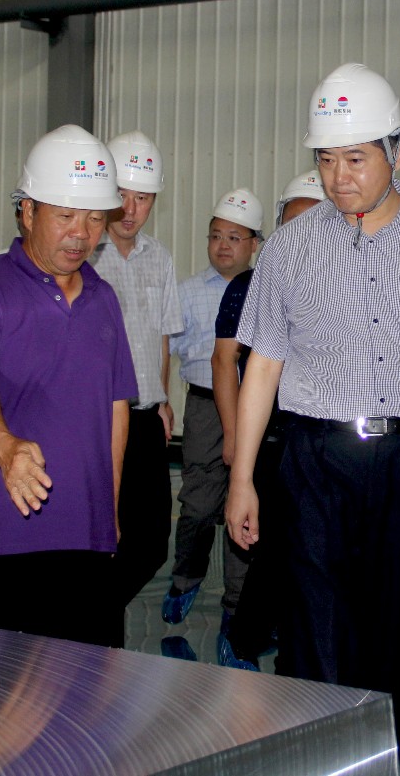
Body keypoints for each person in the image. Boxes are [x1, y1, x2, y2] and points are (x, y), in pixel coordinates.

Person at [226, 62, 400, 745]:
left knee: (390, 630)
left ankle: (376, 757)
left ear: (396, 153)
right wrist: (242, 479)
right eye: (325, 160)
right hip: (314, 460)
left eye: (355, 158)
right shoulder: (290, 248)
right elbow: (263, 368)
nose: (338, 176)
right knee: (312, 629)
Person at [0, 124, 136, 648]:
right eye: (66, 215)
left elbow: (116, 408)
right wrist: (7, 448)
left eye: (94, 217)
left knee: (88, 688)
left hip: (85, 539)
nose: (82, 233)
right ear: (27, 211)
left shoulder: (103, 299)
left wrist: (109, 510)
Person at [212, 169, 326, 671]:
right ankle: (243, 638)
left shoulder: (339, 287)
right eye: (292, 221)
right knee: (273, 544)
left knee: (305, 551)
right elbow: (228, 362)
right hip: (269, 439)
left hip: (317, 440)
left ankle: (282, 641)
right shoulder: (251, 285)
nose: (302, 232)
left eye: (314, 220)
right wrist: (236, 436)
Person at [90, 131, 184, 616]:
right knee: (102, 535)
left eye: (142, 198)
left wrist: (164, 398)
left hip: (146, 420)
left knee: (151, 543)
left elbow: (162, 335)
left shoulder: (160, 259)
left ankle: (96, 614)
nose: (130, 209)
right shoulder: (85, 257)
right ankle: (95, 628)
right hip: (97, 422)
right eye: (122, 195)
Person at [163, 189, 262, 626]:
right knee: (199, 504)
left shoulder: (266, 292)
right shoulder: (186, 293)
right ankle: (185, 577)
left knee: (246, 504)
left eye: (234, 238)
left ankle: (237, 606)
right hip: (204, 408)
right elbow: (166, 351)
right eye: (216, 236)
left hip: (256, 411)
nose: (223, 245)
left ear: (254, 244)